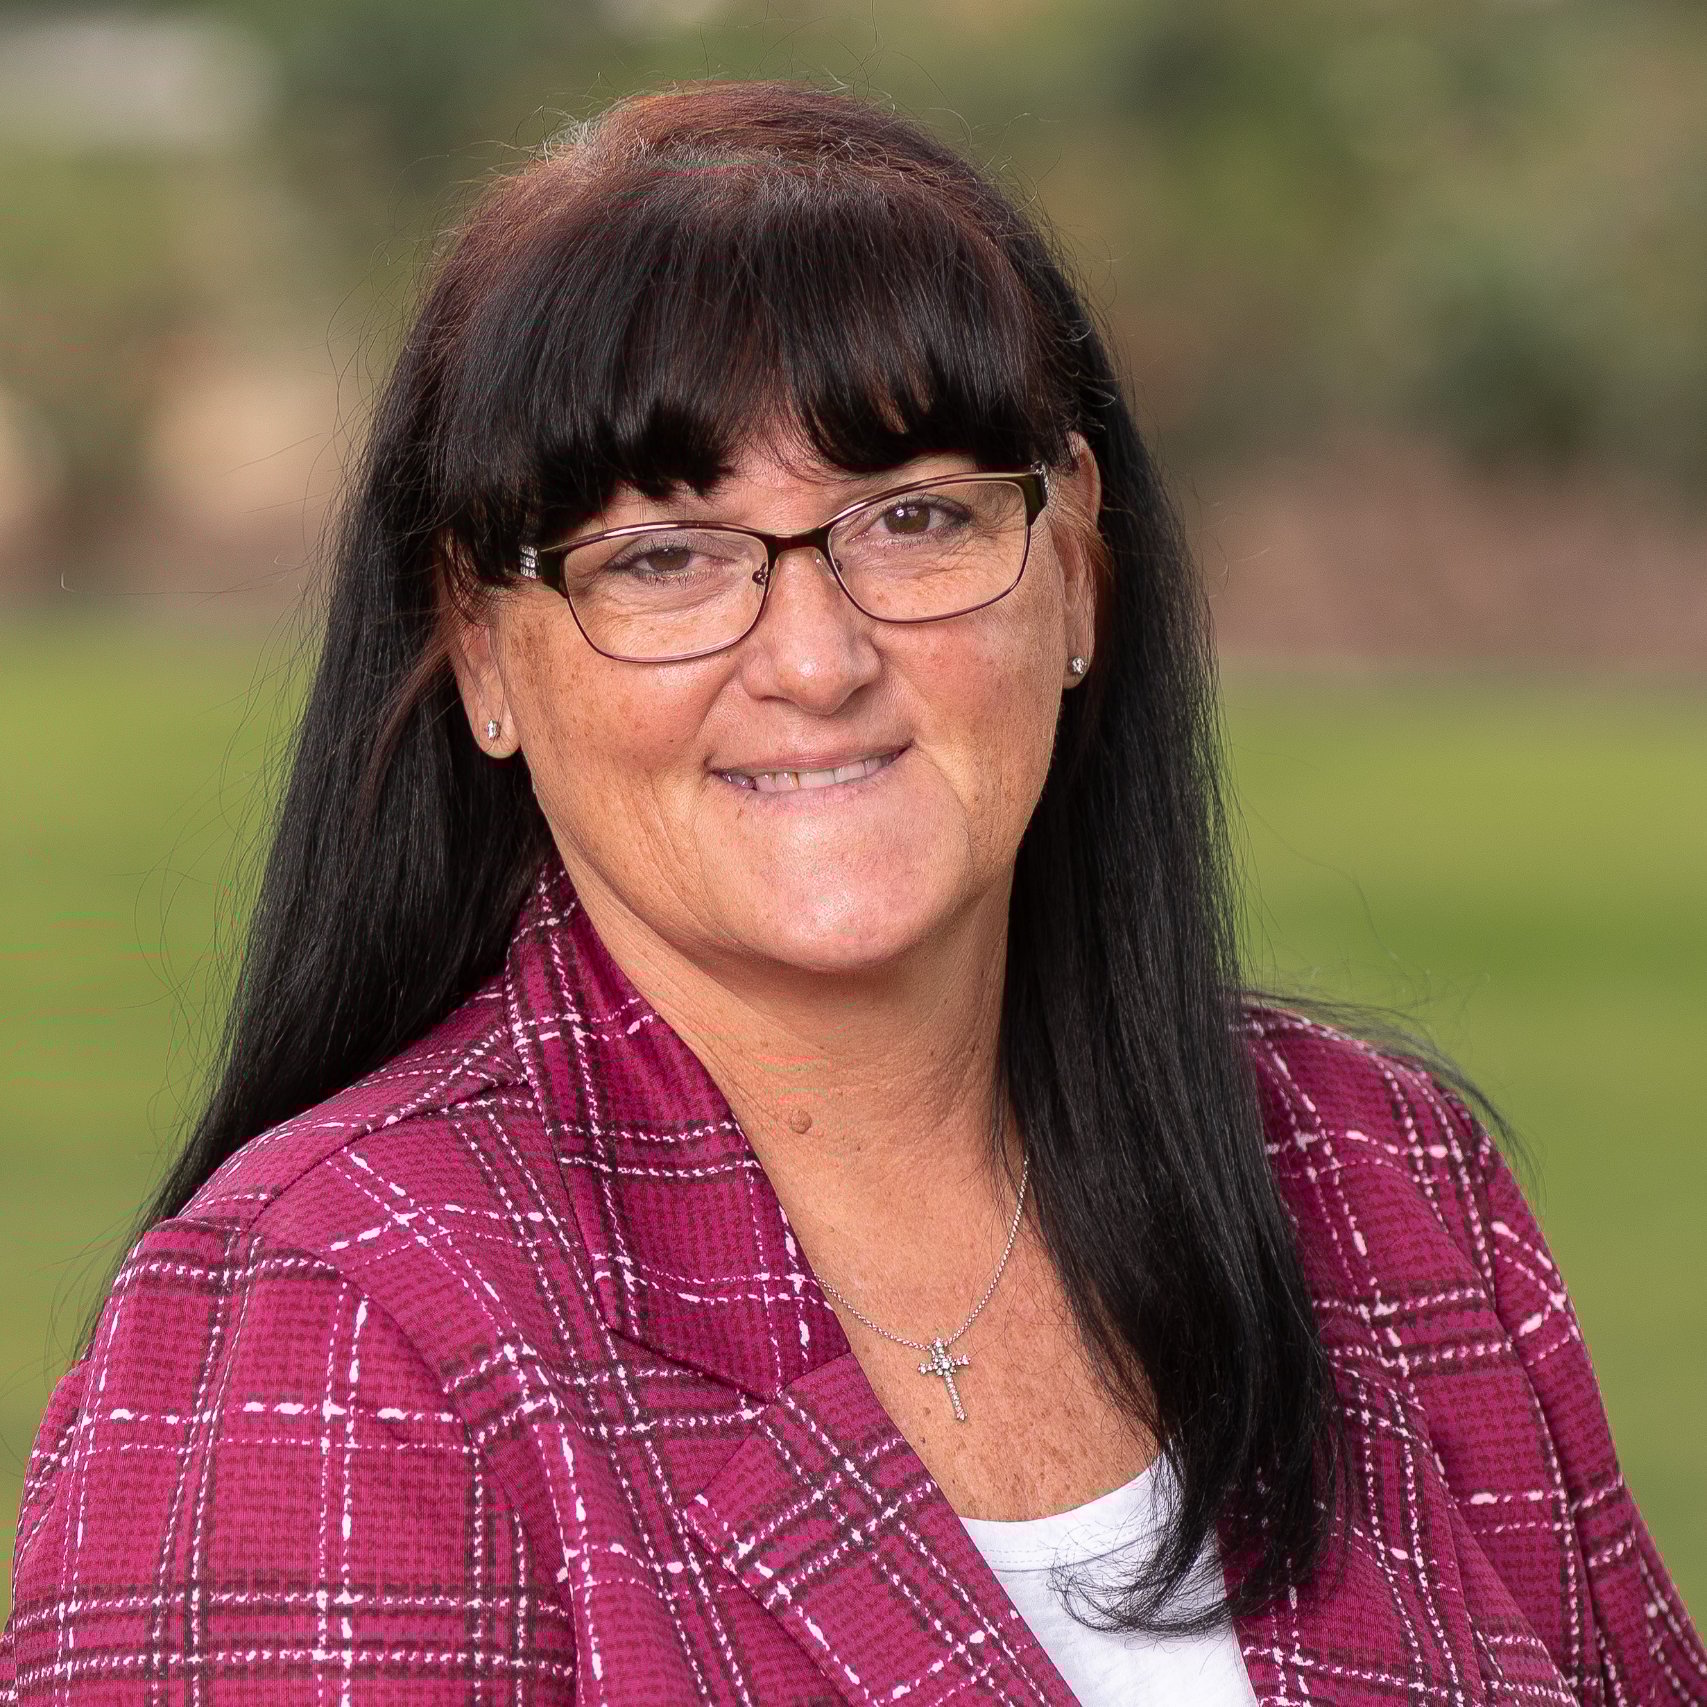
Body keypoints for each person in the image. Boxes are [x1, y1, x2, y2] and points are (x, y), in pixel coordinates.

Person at [2, 79, 1700, 1707]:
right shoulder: (334, 1325)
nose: (815, 659)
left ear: (1077, 565)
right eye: (663, 556)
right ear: (480, 652)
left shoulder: (1385, 1192)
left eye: (914, 520)